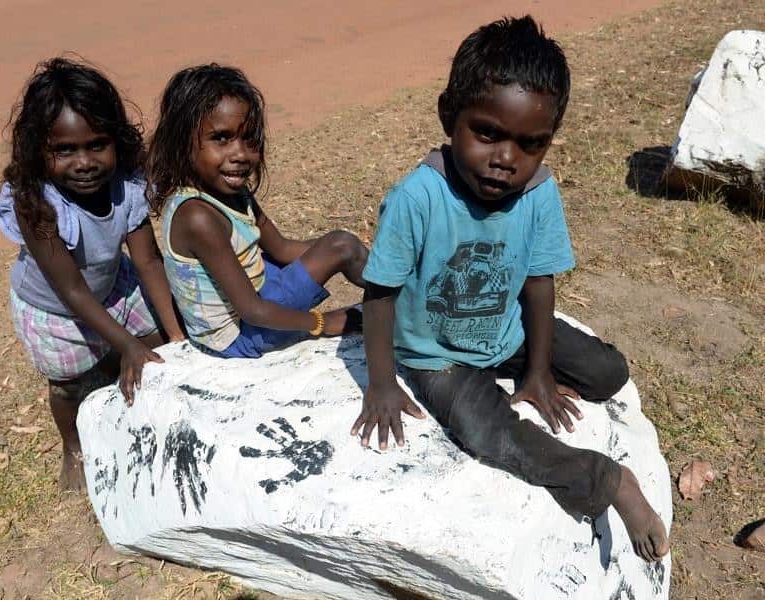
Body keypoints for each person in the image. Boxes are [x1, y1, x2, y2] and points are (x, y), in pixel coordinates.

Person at [352, 16, 670, 562]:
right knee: (489, 433)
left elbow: (538, 284)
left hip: (508, 332)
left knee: (607, 373)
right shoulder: (417, 197)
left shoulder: (539, 193)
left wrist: (539, 369)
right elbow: (379, 295)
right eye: (488, 133)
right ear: (449, 116)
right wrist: (381, 383)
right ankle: (608, 481)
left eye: (530, 144)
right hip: (439, 356)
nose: (506, 159)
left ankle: (538, 369)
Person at [0, 57, 185, 491]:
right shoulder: (34, 201)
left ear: (117, 140)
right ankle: (73, 445)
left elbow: (149, 261)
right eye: (64, 150)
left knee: (153, 344)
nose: (84, 162)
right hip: (56, 308)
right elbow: (72, 291)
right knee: (71, 385)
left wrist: (174, 335)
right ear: (38, 151)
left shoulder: (128, 184)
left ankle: (129, 402)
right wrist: (128, 344)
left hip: (112, 284)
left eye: (97, 145)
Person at [146, 64, 367, 359]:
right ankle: (406, 298)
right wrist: (322, 322)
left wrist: (343, 252)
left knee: (340, 246)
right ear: (182, 142)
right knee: (341, 245)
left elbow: (282, 248)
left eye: (249, 139)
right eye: (221, 138)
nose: (239, 154)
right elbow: (253, 310)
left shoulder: (232, 193)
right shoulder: (197, 216)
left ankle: (392, 284)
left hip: (253, 300)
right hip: (241, 335)